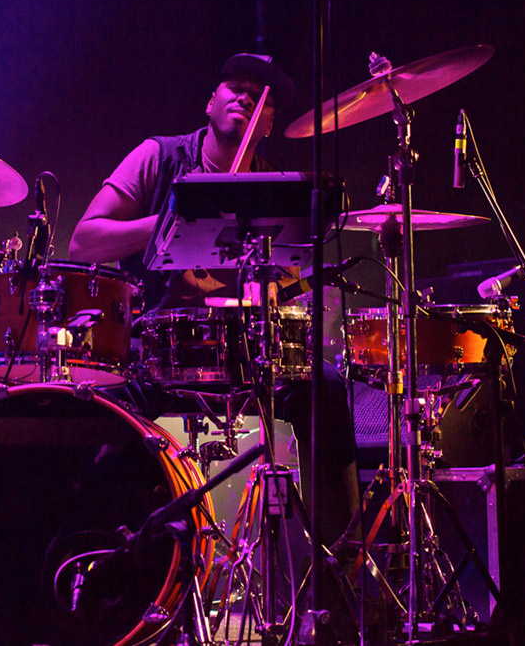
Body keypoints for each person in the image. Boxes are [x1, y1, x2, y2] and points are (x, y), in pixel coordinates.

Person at [68, 53, 360, 573]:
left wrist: (289, 276)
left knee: (327, 388)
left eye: (259, 97)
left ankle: (339, 566)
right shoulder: (159, 156)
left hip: (245, 356)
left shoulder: (275, 188)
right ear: (210, 102)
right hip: (156, 354)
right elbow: (85, 240)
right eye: (235, 87)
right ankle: (122, 567)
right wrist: (172, 219)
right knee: (93, 417)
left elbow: (287, 279)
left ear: (269, 124)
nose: (245, 97)